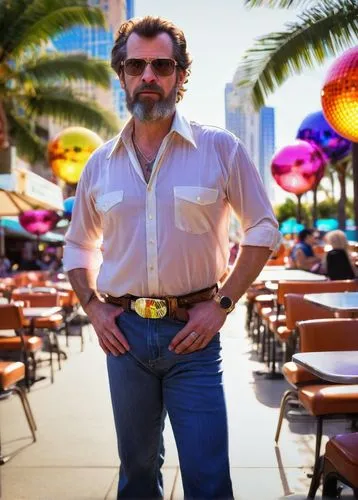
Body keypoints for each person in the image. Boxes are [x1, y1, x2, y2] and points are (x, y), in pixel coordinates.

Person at [63, 16, 281, 499]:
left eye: (161, 65)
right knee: (137, 473)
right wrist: (93, 309)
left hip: (194, 336)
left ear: (180, 75)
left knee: (207, 476)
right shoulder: (99, 164)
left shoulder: (220, 149)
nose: (148, 76)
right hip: (125, 336)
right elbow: (78, 244)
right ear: (121, 73)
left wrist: (222, 305)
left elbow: (264, 228)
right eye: (136, 65)